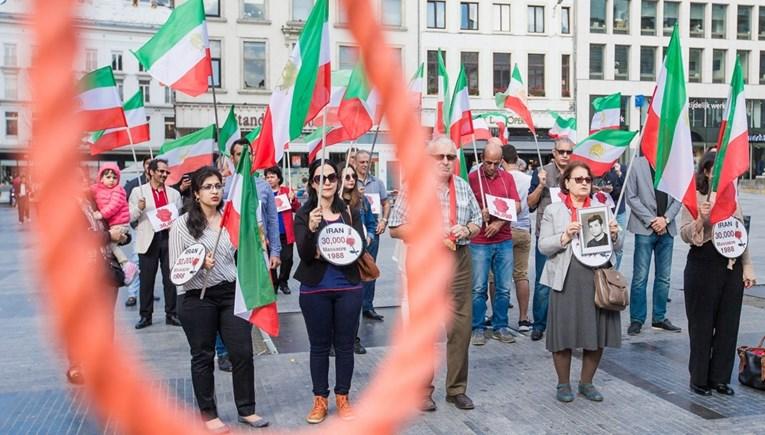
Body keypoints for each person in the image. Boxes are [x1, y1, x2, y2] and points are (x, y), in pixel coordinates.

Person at [169, 167, 269, 432]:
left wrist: (258, 240)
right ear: (197, 193)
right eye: (208, 187)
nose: (215, 191)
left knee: (242, 351)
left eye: (218, 186)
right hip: (196, 297)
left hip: (230, 293)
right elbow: (175, 272)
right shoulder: (181, 225)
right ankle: (208, 413)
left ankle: (246, 409)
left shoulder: (230, 219)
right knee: (203, 355)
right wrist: (200, 263)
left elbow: (244, 251)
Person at [389, 137, 482, 412]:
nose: (445, 162)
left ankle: (456, 390)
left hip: (459, 259)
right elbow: (395, 227)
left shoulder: (463, 187)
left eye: (450, 157)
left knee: (461, 328)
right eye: (439, 157)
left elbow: (477, 220)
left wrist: (468, 230)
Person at [538, 161, 622, 403]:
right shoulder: (555, 211)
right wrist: (564, 235)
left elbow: (618, 245)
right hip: (566, 278)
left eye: (588, 180)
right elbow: (543, 246)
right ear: (567, 183)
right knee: (563, 333)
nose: (585, 183)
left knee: (596, 332)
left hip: (597, 277)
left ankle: (587, 382)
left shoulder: (601, 207)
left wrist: (616, 234)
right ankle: (563, 384)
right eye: (579, 179)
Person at [293, 160, 367, 424]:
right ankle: (320, 400)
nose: (326, 182)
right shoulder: (304, 214)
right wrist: (312, 230)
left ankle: (343, 397)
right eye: (319, 178)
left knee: (345, 346)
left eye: (331, 177)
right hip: (315, 290)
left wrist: (325, 251)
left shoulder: (349, 211)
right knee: (320, 347)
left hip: (348, 286)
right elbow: (304, 254)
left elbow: (357, 247)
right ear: (312, 183)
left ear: (337, 181)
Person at [680, 152, 756, 396]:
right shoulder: (695, 196)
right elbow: (684, 234)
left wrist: (748, 266)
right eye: (715, 170)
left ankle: (720, 378)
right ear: (706, 171)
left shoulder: (732, 198)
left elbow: (739, 233)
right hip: (703, 264)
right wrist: (701, 219)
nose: (718, 175)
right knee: (702, 325)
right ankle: (699, 378)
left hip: (730, 265)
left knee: (728, 325)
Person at [216, 138, 281, 372]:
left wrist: (275, 250)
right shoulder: (224, 186)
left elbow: (272, 220)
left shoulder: (263, 186)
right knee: (224, 301)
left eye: (248, 154)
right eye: (237, 154)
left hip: (255, 252)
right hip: (227, 253)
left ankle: (242, 345)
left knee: (251, 298)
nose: (243, 158)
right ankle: (222, 351)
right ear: (232, 158)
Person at [69, 171, 129, 385]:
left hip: (104, 267)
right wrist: (108, 236)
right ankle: (77, 364)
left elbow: (111, 221)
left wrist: (121, 236)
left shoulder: (92, 201)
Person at [468, 140, 521, 345]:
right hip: (479, 240)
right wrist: (478, 214)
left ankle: (501, 326)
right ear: (482, 158)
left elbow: (516, 205)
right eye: (488, 162)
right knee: (478, 287)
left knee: (504, 287)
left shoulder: (507, 178)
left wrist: (499, 223)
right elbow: (465, 207)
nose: (491, 167)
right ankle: (478, 327)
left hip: (504, 239)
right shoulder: (473, 178)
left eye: (496, 163)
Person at [624, 155, 683, 336]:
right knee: (640, 277)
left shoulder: (672, 165)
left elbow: (679, 197)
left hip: (667, 228)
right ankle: (637, 319)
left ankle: (659, 317)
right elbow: (631, 197)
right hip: (644, 228)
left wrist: (665, 219)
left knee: (664, 277)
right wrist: (651, 220)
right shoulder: (637, 165)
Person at [527, 138, 574, 341]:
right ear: (554, 153)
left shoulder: (577, 173)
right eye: (561, 151)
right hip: (546, 236)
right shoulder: (542, 172)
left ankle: (565, 323)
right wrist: (541, 185)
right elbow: (529, 204)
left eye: (568, 152)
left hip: (571, 235)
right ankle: (539, 324)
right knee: (542, 282)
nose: (565, 155)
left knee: (570, 281)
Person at [128, 158, 183, 329]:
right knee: (147, 279)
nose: (164, 174)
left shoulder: (174, 194)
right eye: (161, 171)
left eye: (167, 172)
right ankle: (145, 315)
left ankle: (171, 314)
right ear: (151, 172)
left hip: (168, 238)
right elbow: (130, 217)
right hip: (148, 239)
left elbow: (179, 215)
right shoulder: (138, 192)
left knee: (170, 279)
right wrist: (139, 208)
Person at [340, 164, 378, 355]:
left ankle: (353, 339)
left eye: (353, 177)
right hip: (338, 257)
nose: (351, 180)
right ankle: (335, 340)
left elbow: (371, 222)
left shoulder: (361, 201)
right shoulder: (332, 202)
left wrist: (370, 234)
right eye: (346, 177)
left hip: (358, 254)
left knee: (355, 301)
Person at [90, 163, 138, 285]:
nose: (111, 180)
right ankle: (125, 266)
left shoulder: (118, 190)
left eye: (114, 177)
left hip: (119, 224)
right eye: (108, 177)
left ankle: (126, 264)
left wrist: (101, 214)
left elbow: (114, 206)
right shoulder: (97, 190)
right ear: (100, 178)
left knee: (111, 245)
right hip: (112, 227)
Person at [501, 144, 533, 332]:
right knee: (521, 275)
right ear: (517, 158)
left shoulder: (502, 178)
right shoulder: (528, 179)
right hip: (523, 228)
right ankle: (523, 318)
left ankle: (500, 317)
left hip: (503, 230)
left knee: (495, 276)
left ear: (502, 161)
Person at [355, 150, 389, 321]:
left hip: (373, 230)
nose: (365, 165)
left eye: (367, 162)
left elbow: (386, 202)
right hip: (354, 232)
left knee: (370, 268)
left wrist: (384, 220)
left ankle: (368, 306)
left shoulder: (377, 182)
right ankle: (353, 304)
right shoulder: (349, 181)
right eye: (361, 162)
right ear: (355, 163)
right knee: (354, 270)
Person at [264, 166, 300, 295]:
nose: (269, 179)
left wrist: (293, 199)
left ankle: (283, 281)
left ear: (279, 178)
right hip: (270, 234)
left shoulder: (286, 191)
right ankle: (274, 283)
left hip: (286, 233)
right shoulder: (264, 192)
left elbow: (297, 209)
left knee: (288, 259)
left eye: (272, 176)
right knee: (271, 260)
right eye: (267, 177)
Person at [123, 156, 152, 307]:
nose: (150, 167)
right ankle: (132, 294)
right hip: (138, 228)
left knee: (150, 265)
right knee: (136, 260)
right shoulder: (134, 184)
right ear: (144, 166)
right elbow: (123, 202)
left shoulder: (161, 184)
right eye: (148, 164)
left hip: (155, 230)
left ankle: (147, 292)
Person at [599, 163, 627, 269]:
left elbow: (627, 187)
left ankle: (615, 272)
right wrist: (602, 188)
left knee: (619, 246)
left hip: (619, 211)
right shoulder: (601, 166)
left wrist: (619, 173)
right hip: (602, 209)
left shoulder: (622, 168)